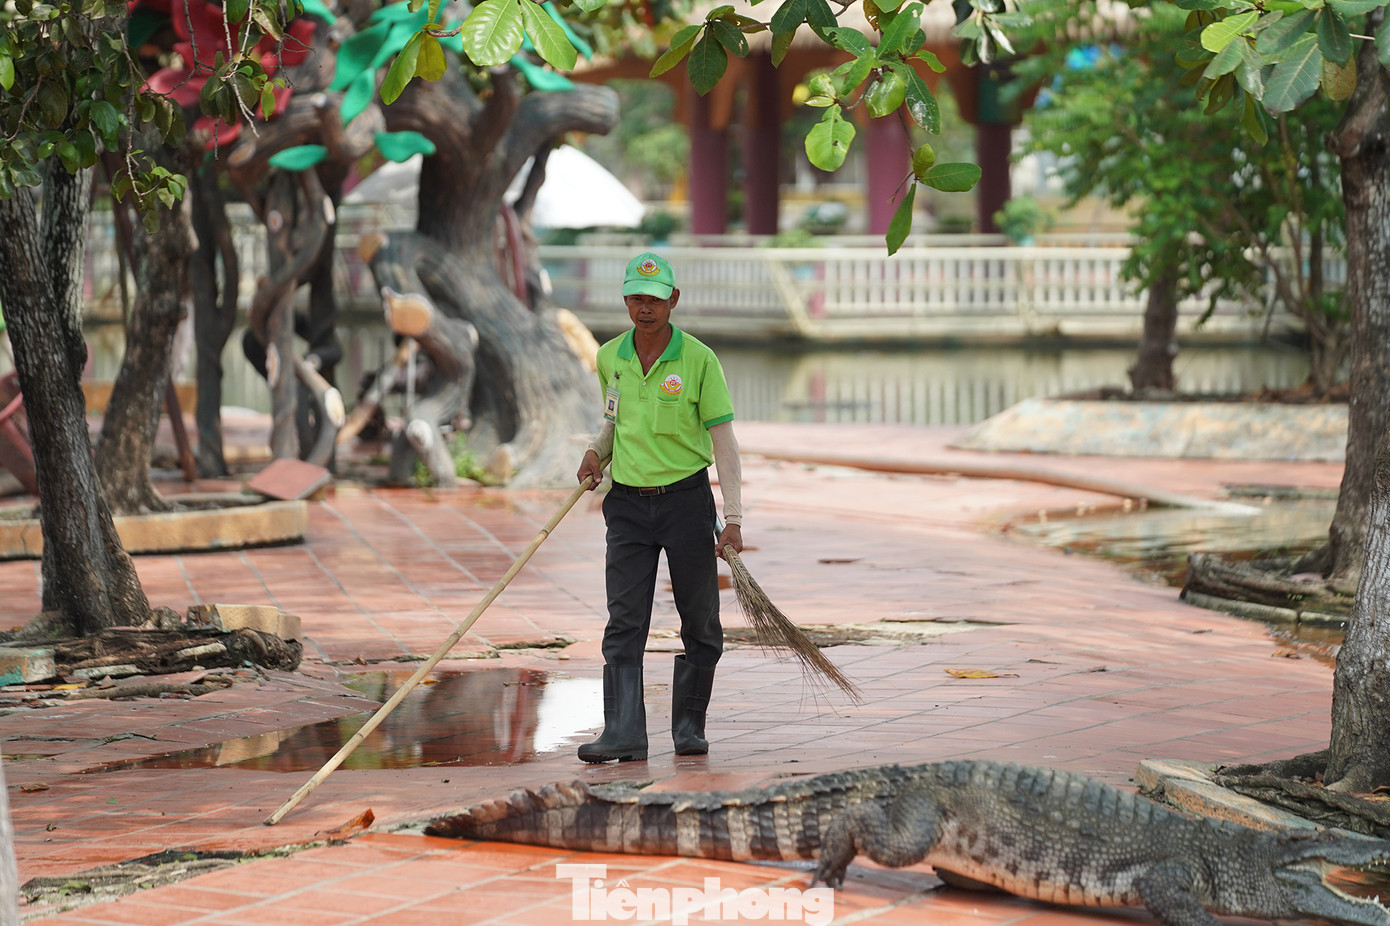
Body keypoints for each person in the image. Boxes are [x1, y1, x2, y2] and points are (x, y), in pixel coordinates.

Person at [575, 251, 744, 763]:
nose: (644, 308)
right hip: (626, 506)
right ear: (625, 299)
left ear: (674, 299)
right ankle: (624, 731)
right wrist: (595, 452)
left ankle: (689, 727)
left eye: (654, 298)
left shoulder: (699, 360)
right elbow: (615, 420)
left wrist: (732, 518)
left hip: (687, 503)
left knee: (701, 619)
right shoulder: (610, 357)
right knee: (624, 620)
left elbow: (725, 443)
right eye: (635, 298)